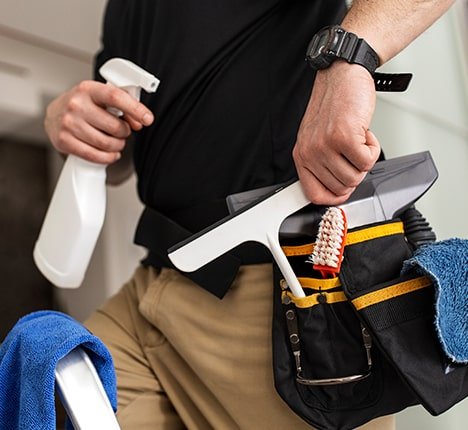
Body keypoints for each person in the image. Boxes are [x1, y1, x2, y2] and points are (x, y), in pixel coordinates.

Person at [44, 0, 454, 428]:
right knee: (48, 388)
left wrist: (351, 55)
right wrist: (73, 127)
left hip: (287, 294)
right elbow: (118, 160)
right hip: (155, 282)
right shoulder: (125, 7)